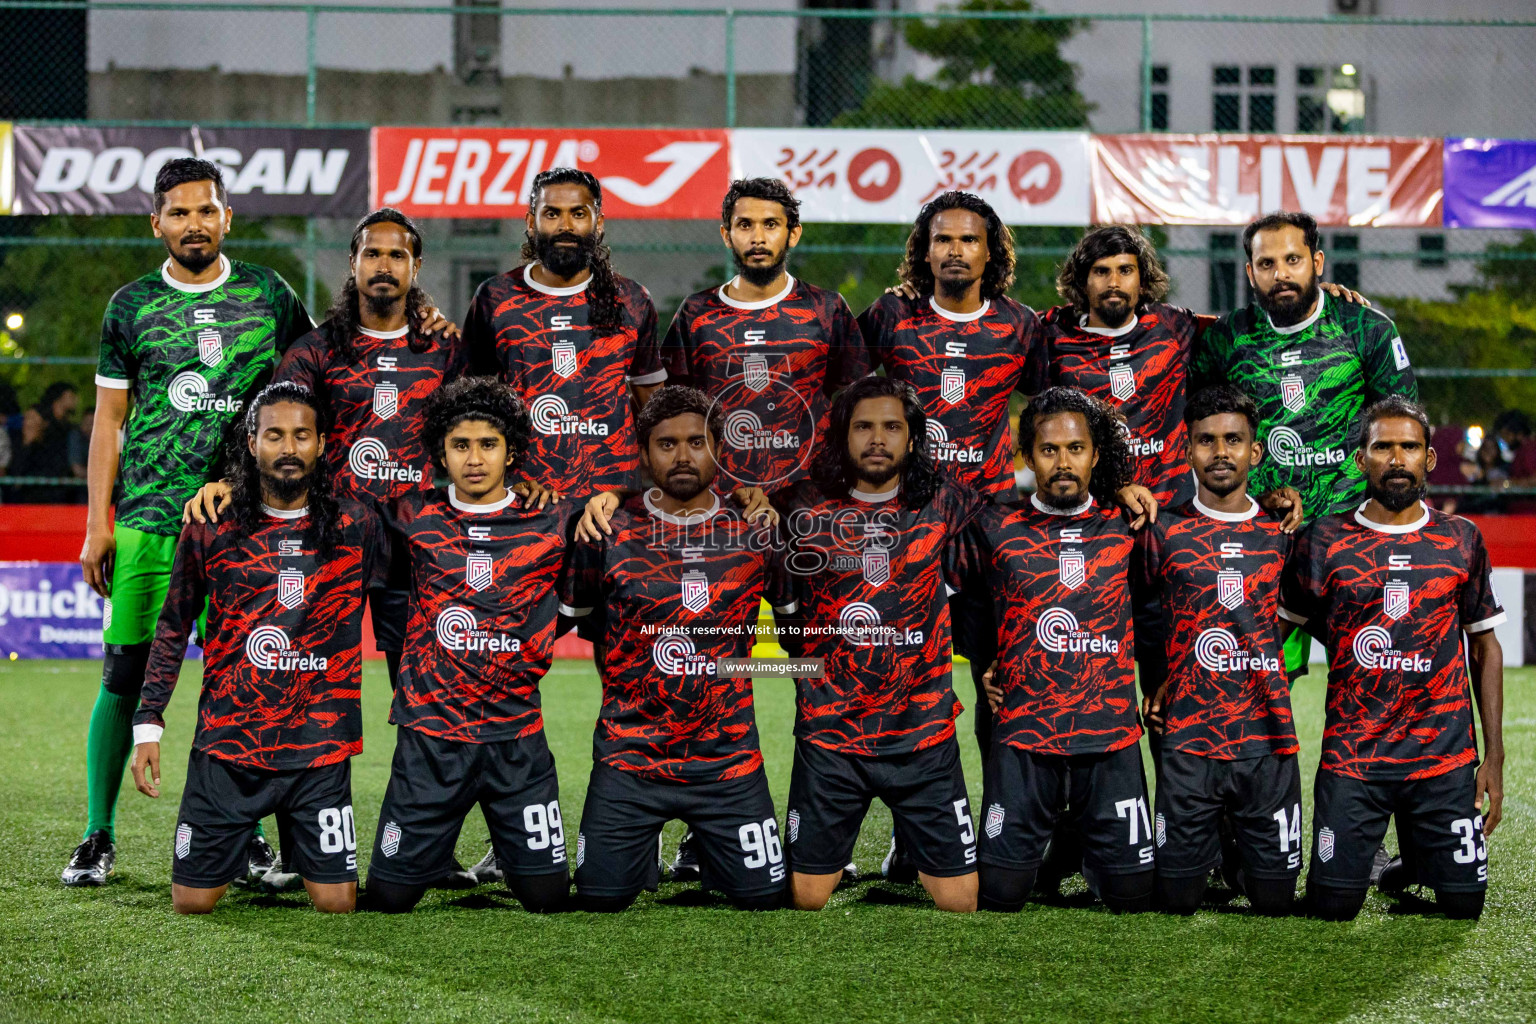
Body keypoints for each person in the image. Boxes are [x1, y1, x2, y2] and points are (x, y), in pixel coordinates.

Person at [67, 157, 315, 888]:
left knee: (246, 675)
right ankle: (96, 834)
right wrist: (97, 524)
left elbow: (319, 372)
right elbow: (108, 422)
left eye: (205, 210)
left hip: (245, 521)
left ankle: (246, 838)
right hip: (147, 517)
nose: (193, 224)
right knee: (124, 674)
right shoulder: (131, 304)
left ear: (226, 217)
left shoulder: (269, 294)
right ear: (158, 224)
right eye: (178, 213)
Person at [127, 382, 388, 913]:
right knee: (192, 904)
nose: (288, 448)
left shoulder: (356, 525)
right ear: (251, 444)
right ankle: (244, 843)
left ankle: (289, 849)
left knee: (338, 904)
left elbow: (403, 608)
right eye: (274, 435)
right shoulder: (210, 525)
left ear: (320, 444)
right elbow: (174, 626)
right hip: (229, 744)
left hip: (319, 746)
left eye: (300, 436)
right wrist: (148, 723)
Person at [182, 207, 466, 693]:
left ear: (415, 268)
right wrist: (233, 480)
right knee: (310, 677)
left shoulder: (442, 349)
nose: (383, 265)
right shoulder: (315, 350)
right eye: (371, 253)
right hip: (328, 536)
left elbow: (477, 431)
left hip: (410, 537)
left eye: (397, 255)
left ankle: (421, 771)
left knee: (420, 689)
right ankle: (304, 768)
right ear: (352, 262)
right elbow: (274, 423)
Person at [560, 386, 796, 911]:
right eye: (666, 444)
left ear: (718, 449)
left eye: (697, 442)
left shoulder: (758, 531)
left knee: (766, 900)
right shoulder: (606, 530)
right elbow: (578, 626)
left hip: (728, 761)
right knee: (599, 898)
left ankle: (714, 849)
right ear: (643, 454)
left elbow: (797, 632)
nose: (683, 455)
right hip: (631, 760)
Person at [1280, 396, 1504, 922]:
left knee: (1463, 906)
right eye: (1383, 447)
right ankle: (1390, 865)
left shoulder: (1461, 538)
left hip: (1443, 758)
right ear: (1361, 459)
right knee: (1331, 906)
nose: (1396, 458)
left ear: (1429, 458)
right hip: (1354, 758)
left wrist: (1492, 757)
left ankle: (1415, 865)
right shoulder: (1324, 540)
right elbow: (1282, 627)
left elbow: (1485, 647)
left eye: (1409, 447)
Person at [363, 377, 578, 915]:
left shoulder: (554, 517)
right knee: (388, 900)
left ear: (512, 452)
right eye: (461, 445)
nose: (475, 459)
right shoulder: (408, 515)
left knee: (548, 898)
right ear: (441, 450)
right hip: (431, 739)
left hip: (516, 738)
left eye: (489, 444)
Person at [778, 376, 982, 913]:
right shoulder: (802, 504)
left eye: (892, 427)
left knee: (961, 903)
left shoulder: (946, 501)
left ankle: (910, 849)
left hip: (922, 734)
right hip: (831, 734)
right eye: (863, 426)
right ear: (843, 435)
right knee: (805, 901)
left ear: (912, 438)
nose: (877, 438)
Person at [1192, 211, 1417, 677]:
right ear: (1250, 272)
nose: (1281, 274)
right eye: (1267, 263)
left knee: (1375, 673)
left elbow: (1403, 432)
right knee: (1260, 681)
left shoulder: (1367, 329)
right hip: (1265, 540)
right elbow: (1197, 429)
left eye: (1293, 260)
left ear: (1317, 262)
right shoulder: (1226, 339)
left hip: (1354, 539)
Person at [966, 387, 1153, 914]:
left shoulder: (1131, 526)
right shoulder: (995, 527)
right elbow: (967, 606)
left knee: (1134, 899)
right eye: (1049, 450)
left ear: (1096, 454)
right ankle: (1050, 851)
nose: (1063, 462)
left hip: (1110, 736)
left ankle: (1080, 847)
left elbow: (1165, 610)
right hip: (1026, 736)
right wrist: (983, 667)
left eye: (1075, 449)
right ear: (1028, 457)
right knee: (1000, 897)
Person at [1134, 386, 1301, 916]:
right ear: (1188, 449)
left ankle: (1235, 854)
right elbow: (1123, 612)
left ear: (1255, 452)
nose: (1221, 452)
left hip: (1267, 739)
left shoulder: (1284, 531)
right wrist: (1162, 678)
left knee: (1274, 901)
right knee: (1175, 900)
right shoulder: (1163, 530)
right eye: (1207, 440)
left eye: (1234, 440)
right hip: (1189, 741)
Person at [463, 168, 665, 500]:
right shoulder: (495, 297)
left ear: (598, 223)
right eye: (552, 214)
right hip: (524, 494)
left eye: (578, 214)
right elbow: (471, 406)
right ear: (531, 222)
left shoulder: (632, 299)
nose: (566, 226)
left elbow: (654, 408)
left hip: (611, 497)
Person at [660, 177, 869, 496]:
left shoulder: (826, 309)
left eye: (770, 224)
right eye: (745, 225)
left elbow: (859, 404)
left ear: (793, 234)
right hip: (719, 500)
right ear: (726, 236)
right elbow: (670, 410)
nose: (757, 237)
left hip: (810, 499)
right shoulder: (696, 312)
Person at [10, 381, 80, 503]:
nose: (76, 400)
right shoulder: (42, 420)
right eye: (71, 396)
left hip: (61, 489)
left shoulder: (68, 428)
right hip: (36, 490)